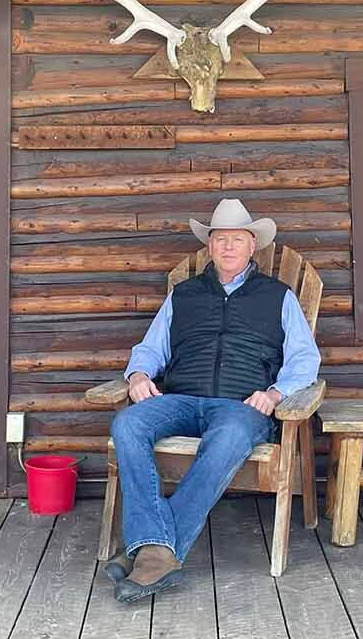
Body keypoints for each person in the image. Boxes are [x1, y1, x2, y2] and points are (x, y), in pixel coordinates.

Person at [105, 198, 321, 603]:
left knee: (229, 438)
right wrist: (138, 376)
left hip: (243, 406)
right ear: (210, 245)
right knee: (128, 423)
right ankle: (158, 551)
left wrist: (275, 393)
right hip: (181, 397)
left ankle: (150, 551)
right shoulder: (184, 295)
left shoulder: (278, 296)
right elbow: (151, 348)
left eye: (237, 239)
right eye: (220, 239)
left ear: (252, 245)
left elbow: (305, 360)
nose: (228, 247)